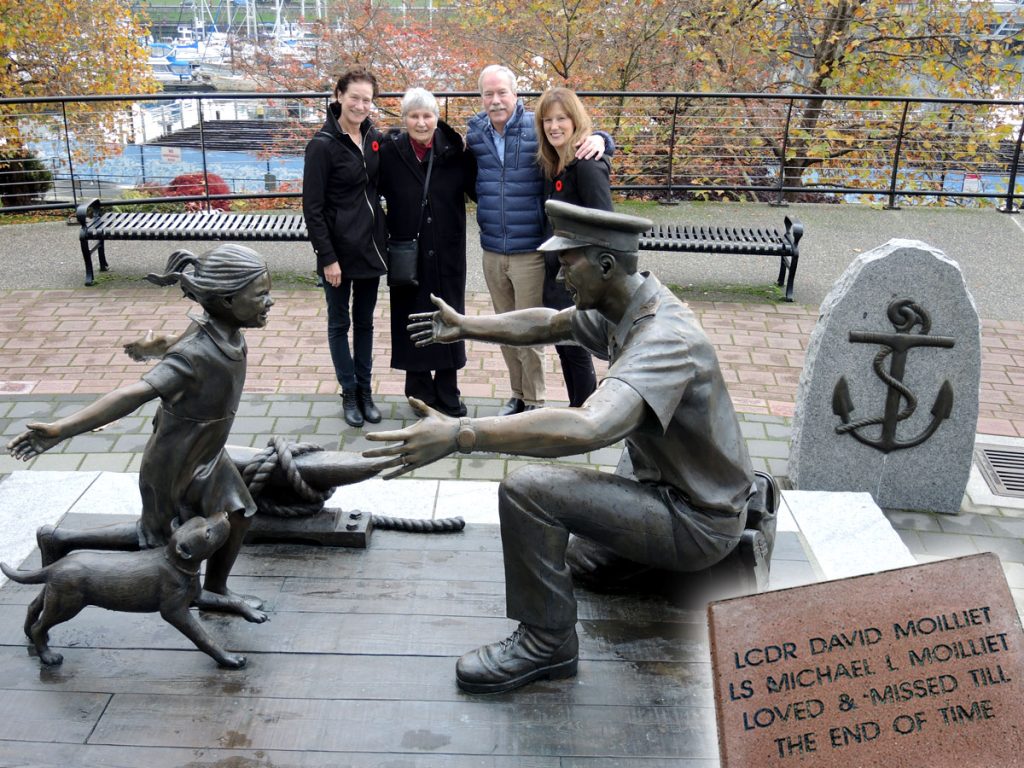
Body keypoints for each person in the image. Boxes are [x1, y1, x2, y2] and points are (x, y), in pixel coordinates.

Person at [365, 201, 767, 694]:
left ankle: (547, 642)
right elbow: (550, 324)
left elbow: (589, 428)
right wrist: (467, 326)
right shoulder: (628, 305)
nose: (558, 274)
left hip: (697, 520)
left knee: (528, 493)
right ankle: (662, 570)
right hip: (676, 490)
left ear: (605, 265)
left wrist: (461, 434)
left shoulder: (664, 340)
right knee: (575, 560)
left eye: (567, 262)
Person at [6, 244, 274, 623]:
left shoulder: (221, 331)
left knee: (239, 514)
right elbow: (132, 394)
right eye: (261, 294)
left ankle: (216, 589)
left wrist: (154, 347)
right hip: (174, 460)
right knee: (155, 536)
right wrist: (62, 430)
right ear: (228, 300)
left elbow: (177, 343)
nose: (270, 302)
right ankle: (60, 539)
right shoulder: (194, 353)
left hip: (208, 452)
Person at [466, 65, 611, 416]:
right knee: (504, 331)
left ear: (515, 95)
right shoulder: (476, 135)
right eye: (488, 93)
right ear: (481, 97)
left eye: (502, 92)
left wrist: (603, 139)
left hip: (532, 251)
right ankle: (518, 395)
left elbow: (582, 143)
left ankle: (535, 402)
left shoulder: (536, 129)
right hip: (492, 248)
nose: (496, 100)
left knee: (533, 333)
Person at [379, 88, 475, 417]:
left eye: (427, 115)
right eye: (414, 116)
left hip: (448, 248)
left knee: (449, 315)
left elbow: (482, 186)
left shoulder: (455, 151)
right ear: (404, 118)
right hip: (407, 250)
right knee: (411, 315)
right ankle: (418, 390)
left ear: (436, 117)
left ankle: (448, 389)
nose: (421, 122)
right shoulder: (390, 151)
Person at [303, 66, 387, 428]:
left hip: (369, 247)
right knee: (339, 323)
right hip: (337, 252)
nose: (361, 106)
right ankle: (349, 392)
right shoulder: (322, 145)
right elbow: (313, 209)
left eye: (367, 100)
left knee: (365, 323)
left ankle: (366, 391)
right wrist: (327, 258)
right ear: (339, 96)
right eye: (355, 98)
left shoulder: (373, 137)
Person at [535, 86, 610, 407]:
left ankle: (586, 412)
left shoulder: (587, 165)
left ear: (575, 120)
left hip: (580, 279)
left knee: (577, 350)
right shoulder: (555, 164)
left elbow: (606, 226)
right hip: (558, 274)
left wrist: (593, 281)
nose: (554, 126)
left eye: (561, 119)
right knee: (566, 348)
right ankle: (578, 407)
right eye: (547, 120)